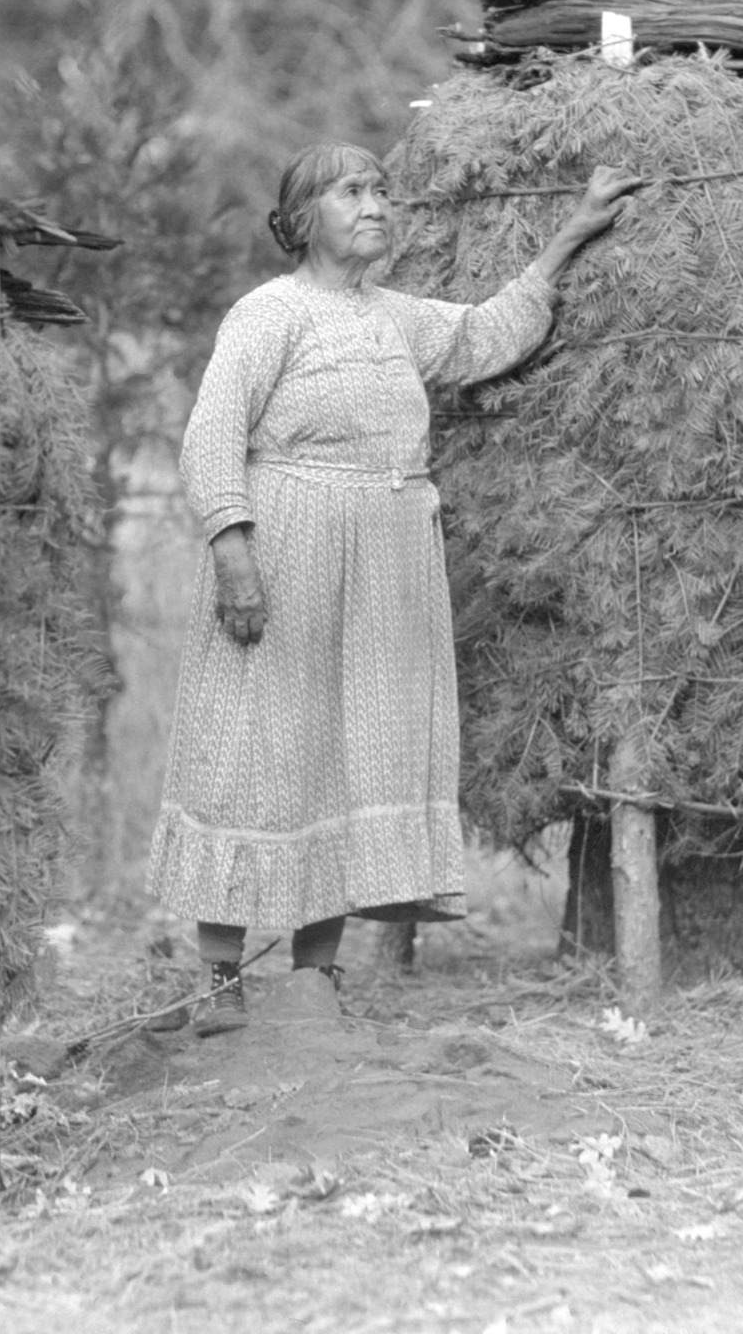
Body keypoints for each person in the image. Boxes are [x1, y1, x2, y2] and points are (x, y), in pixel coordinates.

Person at [148, 140, 644, 1034]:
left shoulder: (395, 317)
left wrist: (571, 234)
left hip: (383, 567)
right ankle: (218, 981)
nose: (376, 205)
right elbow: (211, 434)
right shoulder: (268, 314)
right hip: (286, 556)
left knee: (348, 757)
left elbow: (486, 334)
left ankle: (313, 981)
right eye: (352, 192)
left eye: (381, 191)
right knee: (259, 750)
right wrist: (233, 554)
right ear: (302, 220)